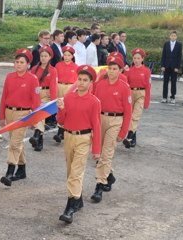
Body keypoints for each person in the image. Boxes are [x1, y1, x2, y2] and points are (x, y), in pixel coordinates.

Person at [57, 65, 101, 224]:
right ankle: (78, 198)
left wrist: (96, 149)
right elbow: (61, 121)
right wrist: (61, 109)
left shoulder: (94, 102)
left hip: (84, 138)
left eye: (85, 80)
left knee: (75, 173)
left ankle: (70, 207)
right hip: (68, 136)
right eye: (79, 79)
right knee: (70, 172)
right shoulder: (68, 97)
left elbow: (96, 125)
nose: (81, 83)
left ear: (91, 83)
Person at [91, 56, 132, 203]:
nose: (112, 71)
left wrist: (123, 132)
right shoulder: (100, 85)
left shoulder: (124, 87)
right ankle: (110, 175)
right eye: (110, 68)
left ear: (121, 70)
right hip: (100, 119)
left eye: (115, 69)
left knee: (107, 153)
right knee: (100, 153)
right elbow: (93, 104)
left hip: (116, 121)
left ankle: (99, 184)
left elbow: (128, 111)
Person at [0, 49, 40, 187]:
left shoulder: (33, 79)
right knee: (15, 141)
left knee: (14, 143)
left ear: (28, 64)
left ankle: (10, 172)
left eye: (22, 62)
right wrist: (1, 116)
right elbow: (4, 96)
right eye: (16, 62)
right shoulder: (9, 77)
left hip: (23, 115)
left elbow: (36, 100)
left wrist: (35, 119)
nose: (18, 65)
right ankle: (22, 169)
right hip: (9, 112)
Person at [29, 46, 58, 151]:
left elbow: (53, 86)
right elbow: (30, 83)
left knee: (40, 115)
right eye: (42, 56)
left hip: (46, 94)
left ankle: (37, 135)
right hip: (35, 94)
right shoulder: (34, 69)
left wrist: (53, 102)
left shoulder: (52, 70)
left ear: (50, 57)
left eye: (46, 56)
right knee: (38, 116)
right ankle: (38, 141)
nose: (43, 58)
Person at [122, 48, 151, 148]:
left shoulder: (146, 71)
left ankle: (129, 136)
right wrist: (125, 72)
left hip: (141, 93)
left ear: (142, 59)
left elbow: (148, 86)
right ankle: (132, 139)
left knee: (136, 115)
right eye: (134, 58)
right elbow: (125, 83)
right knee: (130, 115)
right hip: (130, 93)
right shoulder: (129, 70)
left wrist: (146, 101)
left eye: (138, 58)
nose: (136, 60)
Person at [53, 46, 78, 143]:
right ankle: (60, 129)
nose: (67, 57)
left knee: (67, 108)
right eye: (65, 55)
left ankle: (61, 130)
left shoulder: (75, 67)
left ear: (72, 56)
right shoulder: (58, 65)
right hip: (59, 86)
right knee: (60, 107)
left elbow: (76, 82)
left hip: (70, 88)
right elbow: (55, 79)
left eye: (69, 55)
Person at [160, 30, 182, 104]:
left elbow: (179, 57)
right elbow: (163, 55)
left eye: (174, 36)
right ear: (170, 36)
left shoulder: (179, 45)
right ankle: (164, 97)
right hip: (166, 67)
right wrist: (162, 65)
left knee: (173, 83)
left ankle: (173, 97)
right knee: (165, 83)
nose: (173, 37)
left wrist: (177, 67)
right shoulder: (166, 44)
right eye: (172, 35)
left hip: (174, 67)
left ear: (176, 37)